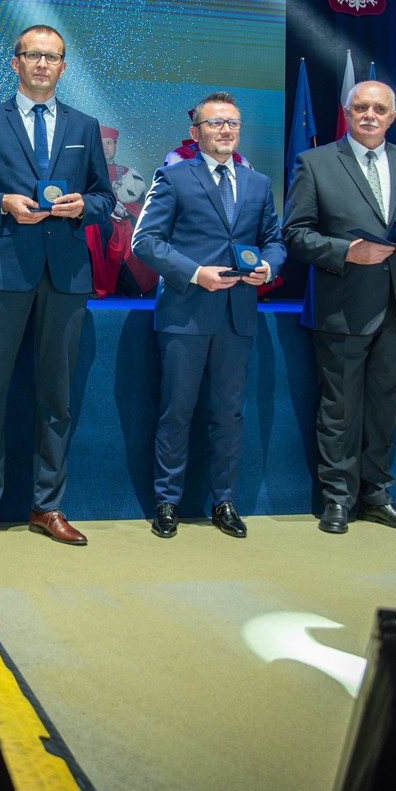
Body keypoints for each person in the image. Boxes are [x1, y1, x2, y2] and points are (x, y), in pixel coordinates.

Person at [0, 25, 116, 547]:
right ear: (14, 62)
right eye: (32, 55)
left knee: (56, 397)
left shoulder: (85, 126)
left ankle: (47, 506)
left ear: (64, 66)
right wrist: (0, 203)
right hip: (2, 272)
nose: (42, 64)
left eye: (52, 57)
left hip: (66, 274)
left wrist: (83, 207)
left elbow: (105, 199)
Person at [283, 79, 396, 534]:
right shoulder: (315, 162)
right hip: (342, 307)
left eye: (379, 109)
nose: (370, 115)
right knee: (339, 409)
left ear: (393, 117)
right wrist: (347, 252)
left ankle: (377, 495)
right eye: (361, 108)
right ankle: (338, 499)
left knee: (383, 410)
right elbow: (295, 233)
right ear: (347, 113)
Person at [131, 92, 285, 539]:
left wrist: (268, 267)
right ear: (195, 132)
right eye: (216, 123)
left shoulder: (258, 182)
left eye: (232, 123)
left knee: (229, 414)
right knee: (176, 412)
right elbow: (145, 241)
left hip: (238, 316)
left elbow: (275, 241)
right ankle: (167, 502)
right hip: (186, 315)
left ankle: (224, 501)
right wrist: (196, 274)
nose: (225, 130)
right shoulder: (173, 176)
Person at [86, 125, 157, 298]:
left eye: (109, 143)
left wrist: (125, 211)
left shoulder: (129, 174)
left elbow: (141, 205)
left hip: (126, 223)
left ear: (115, 146)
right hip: (98, 223)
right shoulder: (85, 172)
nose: (105, 147)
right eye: (101, 143)